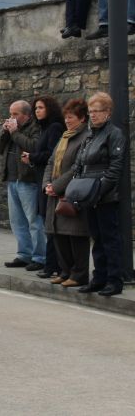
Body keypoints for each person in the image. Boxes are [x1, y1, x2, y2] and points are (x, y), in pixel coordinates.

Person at [73, 92, 125, 297]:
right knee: (97, 238)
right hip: (89, 193)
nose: (92, 115)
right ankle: (99, 277)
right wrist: (78, 187)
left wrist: (98, 190)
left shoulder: (114, 134)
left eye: (97, 111)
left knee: (110, 239)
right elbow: (80, 162)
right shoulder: (90, 135)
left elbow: (115, 168)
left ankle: (114, 280)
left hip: (105, 194)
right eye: (90, 111)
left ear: (108, 112)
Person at [43, 99, 90, 288]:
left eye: (71, 118)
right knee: (58, 234)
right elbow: (51, 162)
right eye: (66, 117)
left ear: (82, 118)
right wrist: (47, 183)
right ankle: (65, 271)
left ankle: (79, 274)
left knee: (75, 235)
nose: (67, 121)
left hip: (71, 193)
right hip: (55, 193)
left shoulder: (85, 138)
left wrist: (57, 186)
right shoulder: (65, 136)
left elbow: (77, 168)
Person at [0, 100, 45, 271]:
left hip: (28, 180)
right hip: (12, 179)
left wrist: (15, 133)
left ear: (26, 115)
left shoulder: (34, 128)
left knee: (34, 221)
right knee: (17, 221)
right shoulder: (11, 131)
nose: (12, 117)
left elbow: (34, 146)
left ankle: (40, 257)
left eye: (15, 114)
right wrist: (5, 133)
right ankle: (24, 254)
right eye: (11, 114)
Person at [21, 96, 64, 278]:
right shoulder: (45, 128)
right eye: (35, 108)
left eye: (40, 107)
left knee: (51, 225)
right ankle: (52, 264)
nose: (37, 111)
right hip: (41, 179)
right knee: (47, 224)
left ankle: (53, 265)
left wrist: (32, 157)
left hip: (49, 183)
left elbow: (51, 155)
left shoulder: (54, 128)